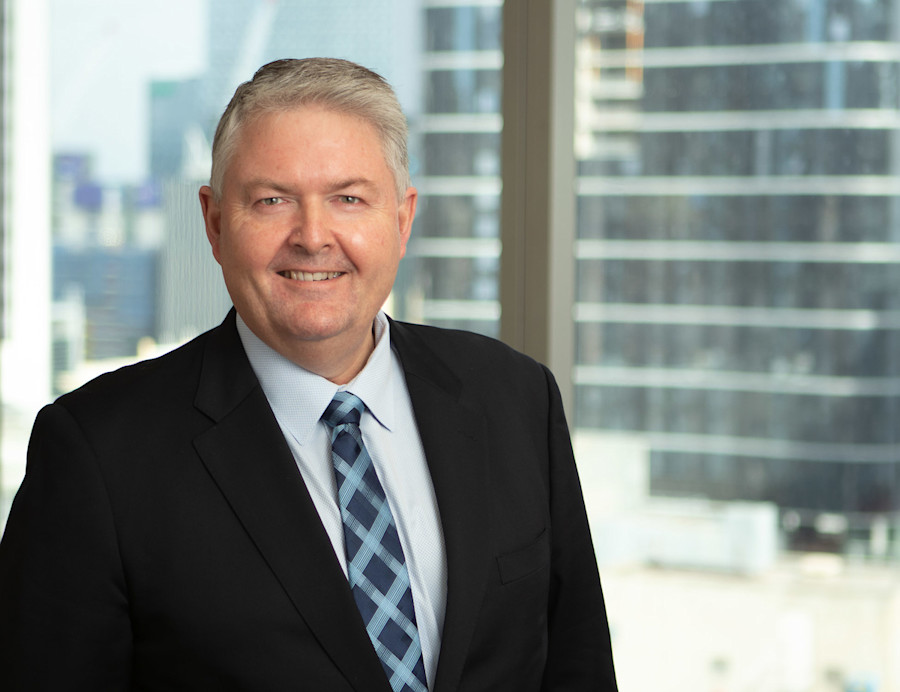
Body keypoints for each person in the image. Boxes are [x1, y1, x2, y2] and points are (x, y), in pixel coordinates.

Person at [0, 58, 617, 691]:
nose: (313, 237)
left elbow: (579, 669)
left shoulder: (514, 397)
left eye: (349, 199)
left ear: (402, 219)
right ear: (215, 222)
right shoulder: (99, 453)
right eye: (272, 201)